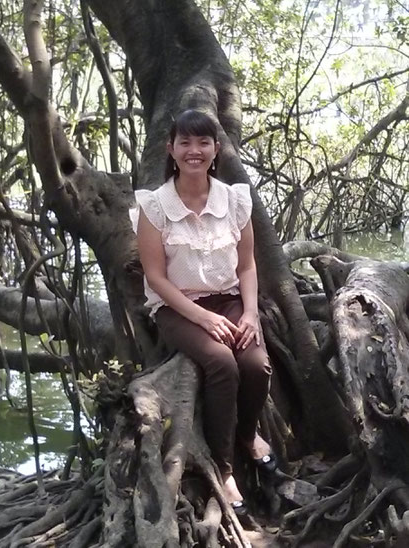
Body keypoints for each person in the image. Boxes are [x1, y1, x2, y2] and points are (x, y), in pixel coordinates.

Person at [130, 109, 274, 511]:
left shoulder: (235, 200)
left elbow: (247, 265)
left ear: (216, 149)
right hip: (177, 307)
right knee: (221, 364)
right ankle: (225, 469)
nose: (194, 151)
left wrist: (249, 314)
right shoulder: (154, 207)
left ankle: (247, 435)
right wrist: (203, 317)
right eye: (185, 143)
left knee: (257, 365)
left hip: (229, 300)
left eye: (203, 142)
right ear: (171, 149)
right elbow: (156, 278)